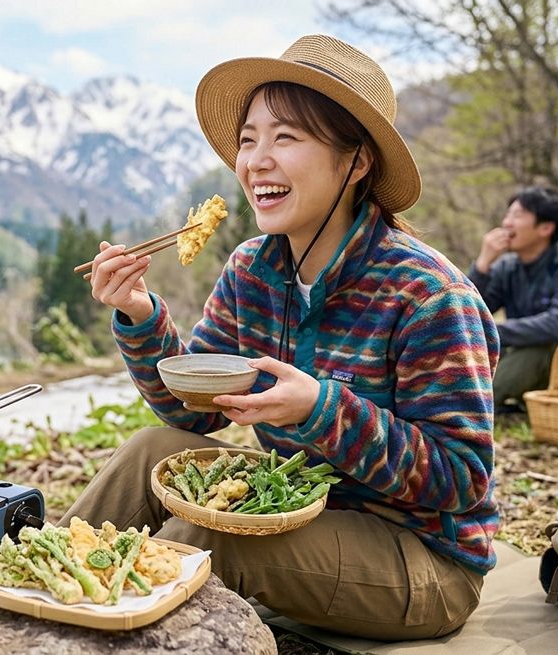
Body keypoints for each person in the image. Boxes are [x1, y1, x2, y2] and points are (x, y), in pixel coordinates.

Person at [65, 34, 501, 640]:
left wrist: (322, 410)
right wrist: (140, 315)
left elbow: (462, 477)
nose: (255, 161)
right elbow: (194, 418)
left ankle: (94, 627)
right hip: (295, 509)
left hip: (421, 558)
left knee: (209, 533)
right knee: (150, 449)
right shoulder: (253, 270)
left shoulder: (428, 295)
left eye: (286, 138)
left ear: (356, 162)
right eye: (249, 139)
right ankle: (38, 582)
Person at [469, 187, 558, 410]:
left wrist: (494, 333)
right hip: (528, 367)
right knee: (465, 340)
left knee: (541, 349)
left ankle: (471, 408)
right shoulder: (508, 267)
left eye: (517, 215)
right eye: (508, 214)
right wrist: (483, 265)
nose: (507, 222)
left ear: (545, 227)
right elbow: (469, 313)